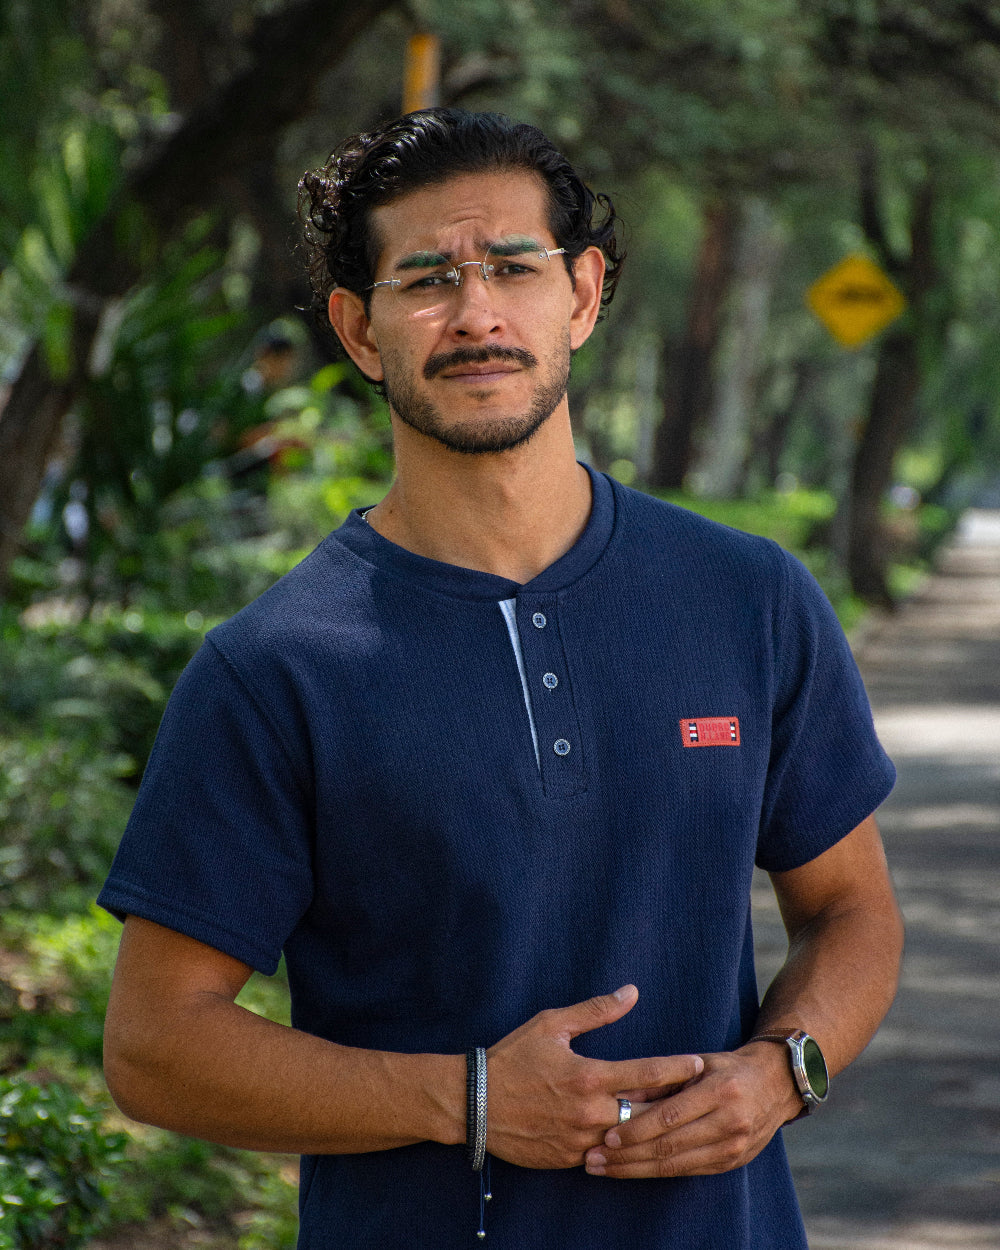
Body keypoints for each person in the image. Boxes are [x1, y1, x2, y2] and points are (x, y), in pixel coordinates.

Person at [99, 108, 904, 1249]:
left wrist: (788, 1064)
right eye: (425, 279)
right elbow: (153, 1043)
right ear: (359, 329)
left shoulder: (748, 597)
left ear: (579, 294)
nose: (475, 313)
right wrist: (466, 1097)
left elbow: (851, 909)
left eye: (511, 269)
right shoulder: (274, 667)